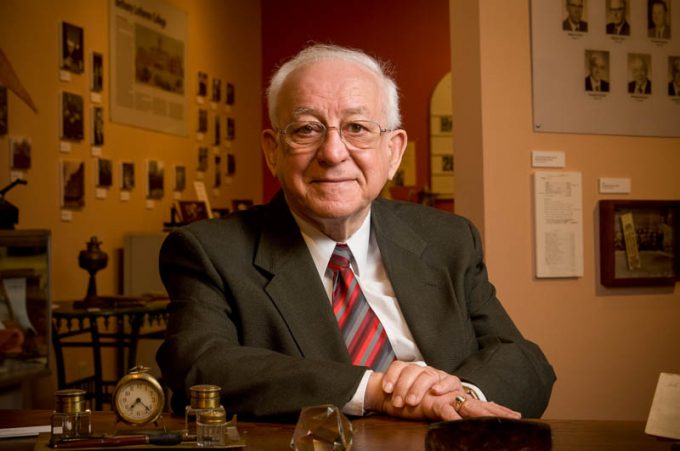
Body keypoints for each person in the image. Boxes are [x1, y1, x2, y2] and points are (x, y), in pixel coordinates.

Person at [157, 44, 556, 422]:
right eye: (306, 129)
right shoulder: (209, 251)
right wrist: (377, 391)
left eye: (358, 128)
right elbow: (199, 364)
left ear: (394, 151)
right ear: (273, 151)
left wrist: (461, 397)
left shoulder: (448, 239)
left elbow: (522, 359)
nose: (333, 152)